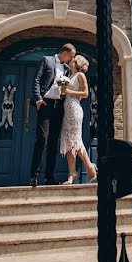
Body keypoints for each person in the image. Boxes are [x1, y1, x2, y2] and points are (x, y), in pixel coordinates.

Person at [30, 43, 76, 187]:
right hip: (45, 104)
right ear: (65, 52)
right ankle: (34, 176)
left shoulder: (67, 69)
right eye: (71, 56)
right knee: (42, 139)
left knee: (53, 143)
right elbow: (37, 80)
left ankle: (49, 177)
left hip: (58, 107)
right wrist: (38, 98)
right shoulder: (46, 60)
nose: (72, 59)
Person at [59, 55, 97, 185]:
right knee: (68, 141)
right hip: (67, 111)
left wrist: (68, 92)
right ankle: (72, 173)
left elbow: (86, 94)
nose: (71, 61)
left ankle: (90, 168)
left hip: (75, 110)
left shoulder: (80, 75)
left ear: (77, 62)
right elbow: (67, 93)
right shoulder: (69, 77)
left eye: (73, 59)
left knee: (75, 140)